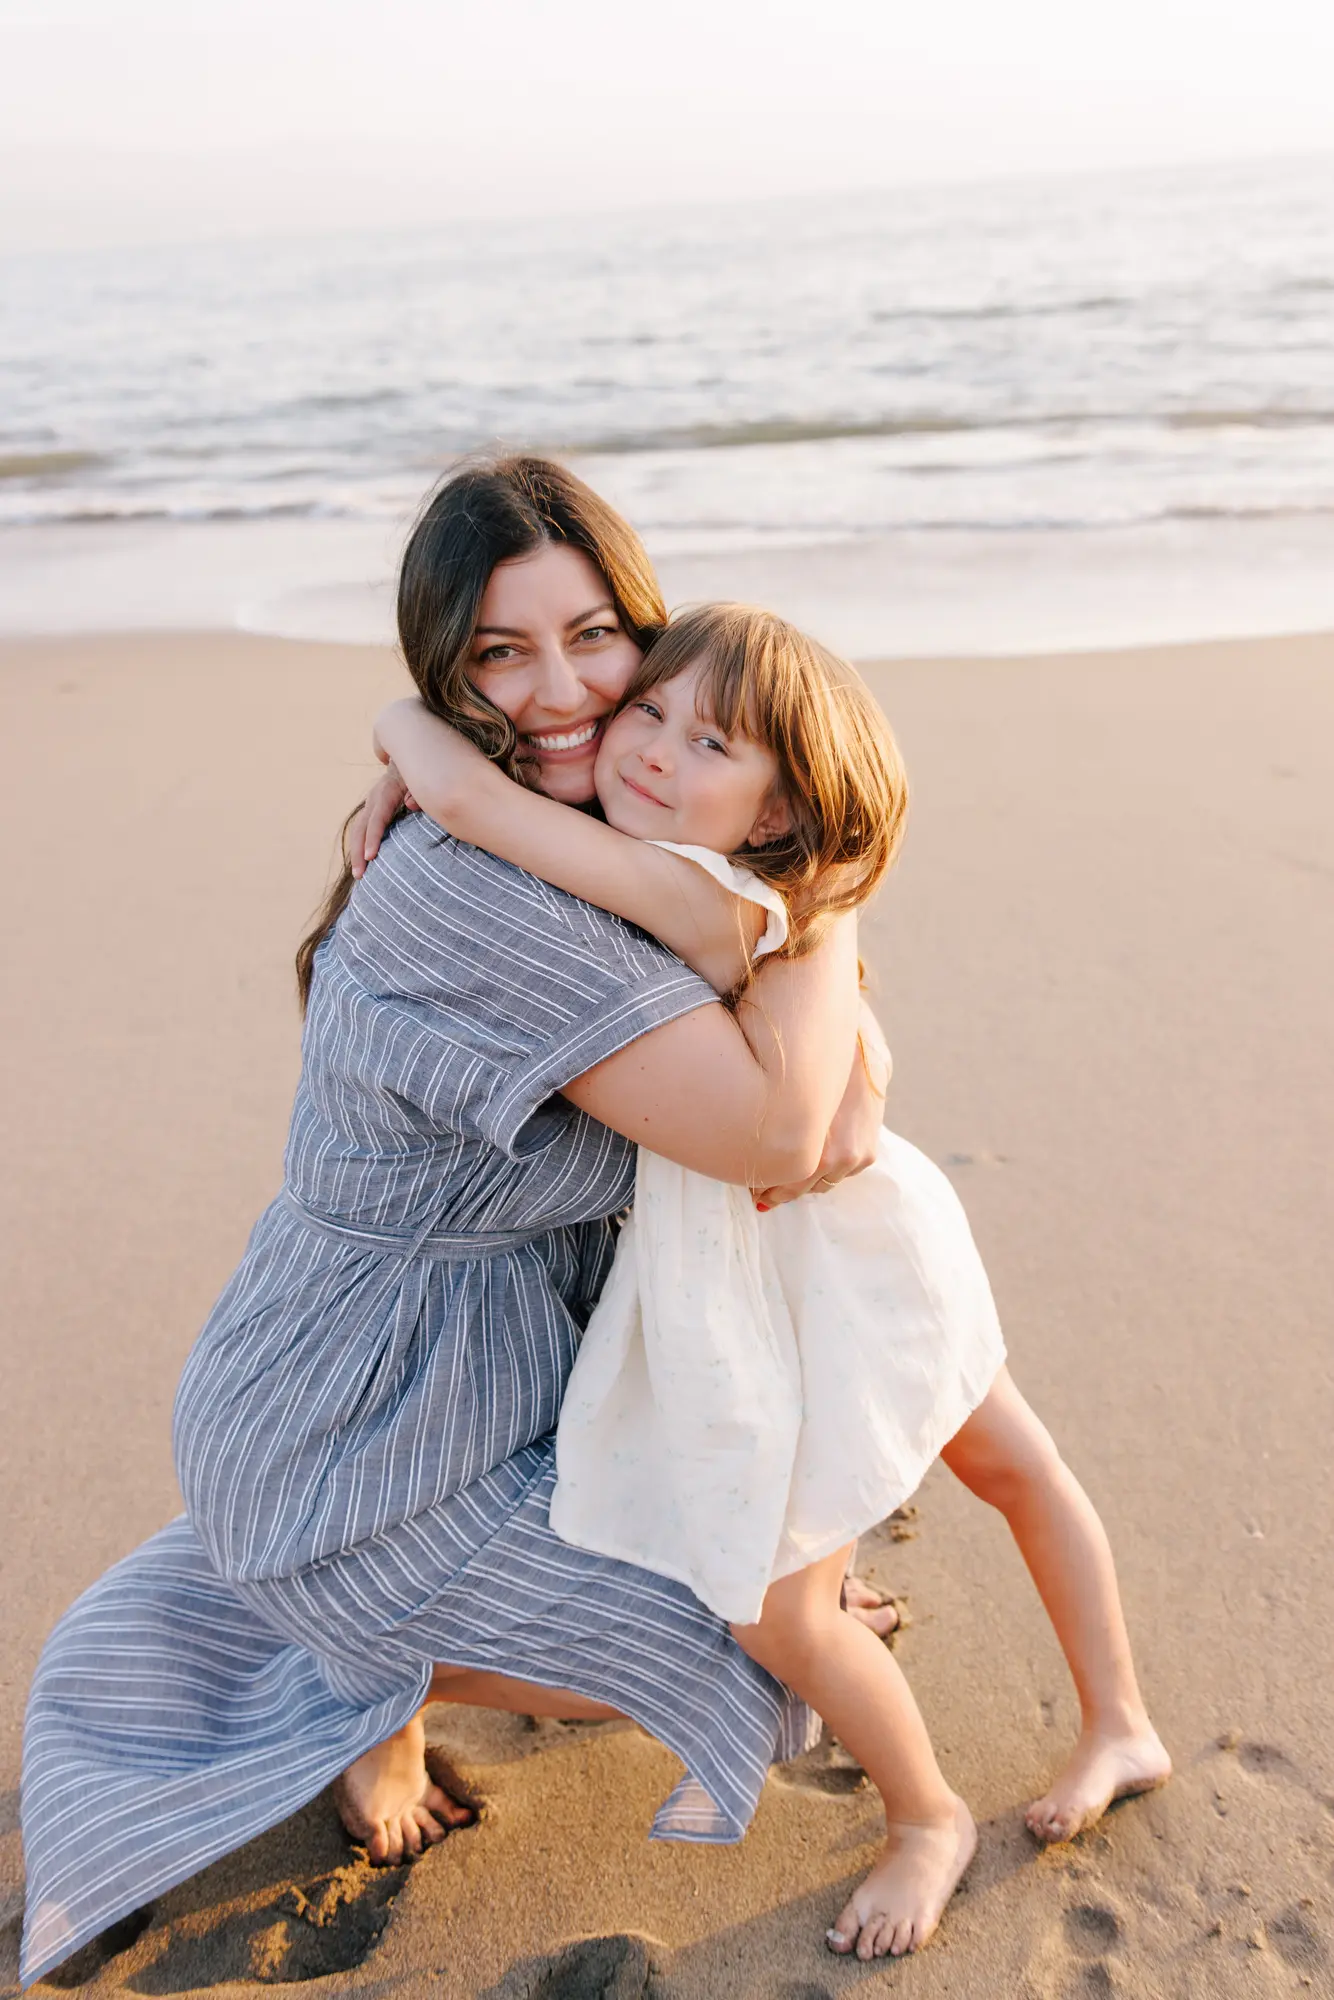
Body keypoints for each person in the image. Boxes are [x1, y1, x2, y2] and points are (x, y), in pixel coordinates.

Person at [18, 461, 893, 1988]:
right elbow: (787, 1130)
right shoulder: (473, 888)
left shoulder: (594, 837)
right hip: (345, 1419)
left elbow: (838, 1092)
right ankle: (375, 1670)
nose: (558, 695)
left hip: (470, 1365)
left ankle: (380, 1667)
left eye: (594, 637)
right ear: (449, 671)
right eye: (495, 656)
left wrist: (420, 746)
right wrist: (826, 881)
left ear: (656, 638)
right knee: (734, 1650)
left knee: (785, 1580)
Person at [362, 600, 1172, 1961]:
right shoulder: (717, 882)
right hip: (790, 1258)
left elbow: (467, 798)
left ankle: (930, 1814)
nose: (659, 755)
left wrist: (399, 729)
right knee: (1002, 1472)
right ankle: (1118, 1723)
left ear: (780, 811)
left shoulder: (706, 892)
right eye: (653, 715)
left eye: (713, 742)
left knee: (792, 1595)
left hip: (823, 1270)